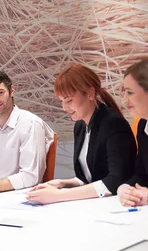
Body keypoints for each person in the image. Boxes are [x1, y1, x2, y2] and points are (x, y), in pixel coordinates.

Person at [27, 64, 136, 204]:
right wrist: (61, 183)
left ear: (90, 93)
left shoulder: (112, 123)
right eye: (62, 101)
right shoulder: (80, 125)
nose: (64, 107)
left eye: (69, 100)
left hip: (118, 204)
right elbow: (88, 177)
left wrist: (58, 196)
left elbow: (116, 180)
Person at [118, 58, 148, 207]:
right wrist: (125, 189)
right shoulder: (143, 125)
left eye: (129, 93)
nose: (124, 100)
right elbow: (140, 175)